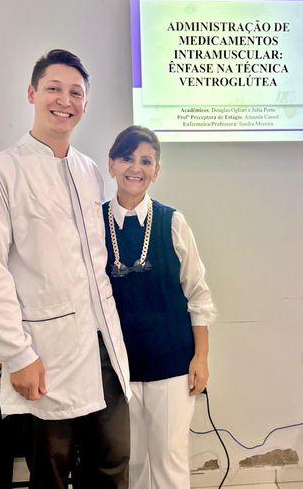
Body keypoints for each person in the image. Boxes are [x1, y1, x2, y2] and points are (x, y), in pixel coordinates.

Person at [0, 49, 131, 489]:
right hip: (46, 352)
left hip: (102, 347)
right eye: (53, 89)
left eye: (75, 92)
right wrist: (18, 355)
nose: (65, 100)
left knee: (112, 461)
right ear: (32, 93)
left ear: (85, 103)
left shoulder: (89, 171)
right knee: (52, 473)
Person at [103, 125, 217, 489]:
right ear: (111, 165)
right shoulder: (93, 223)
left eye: (146, 161)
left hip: (171, 364)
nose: (135, 168)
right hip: (118, 366)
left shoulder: (172, 222)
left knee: (168, 460)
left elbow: (198, 294)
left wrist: (201, 357)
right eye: (127, 158)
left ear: (156, 171)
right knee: (133, 461)